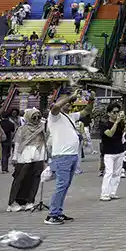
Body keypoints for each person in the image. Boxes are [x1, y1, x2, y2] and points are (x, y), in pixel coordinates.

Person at [46, 90, 94, 225]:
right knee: (61, 185)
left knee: (65, 185)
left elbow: (86, 112)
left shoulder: (70, 116)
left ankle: (58, 212)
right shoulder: (54, 116)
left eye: (70, 102)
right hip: (62, 155)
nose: (70, 103)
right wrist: (69, 97)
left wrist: (91, 100)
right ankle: (52, 214)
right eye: (66, 101)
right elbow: (55, 107)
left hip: (72, 155)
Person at [6, 108, 46, 212]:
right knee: (19, 179)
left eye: (38, 117)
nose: (36, 119)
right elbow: (18, 143)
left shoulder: (42, 127)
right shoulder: (22, 129)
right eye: (34, 117)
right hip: (24, 155)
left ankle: (30, 201)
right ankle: (12, 202)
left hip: (39, 154)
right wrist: (14, 157)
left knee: (35, 179)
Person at [98, 104, 125, 201]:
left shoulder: (120, 123)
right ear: (109, 113)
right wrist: (116, 122)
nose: (116, 114)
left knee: (117, 173)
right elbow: (109, 134)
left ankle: (112, 192)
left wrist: (124, 121)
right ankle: (104, 193)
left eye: (118, 112)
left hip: (120, 150)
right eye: (114, 112)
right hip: (109, 152)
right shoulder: (104, 124)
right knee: (109, 172)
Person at [0, 108, 16, 172]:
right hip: (8, 140)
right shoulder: (11, 124)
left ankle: (3, 167)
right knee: (7, 154)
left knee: (3, 154)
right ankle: (5, 168)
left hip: (0, 140)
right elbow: (13, 130)